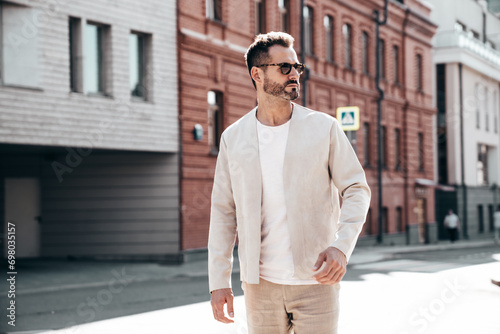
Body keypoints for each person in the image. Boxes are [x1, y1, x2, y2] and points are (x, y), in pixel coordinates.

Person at [208, 31, 371, 334]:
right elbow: (223, 212)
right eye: (284, 67)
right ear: (257, 74)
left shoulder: (324, 128)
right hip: (260, 286)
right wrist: (219, 283)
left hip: (317, 281)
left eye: (297, 67)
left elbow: (356, 189)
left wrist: (341, 247)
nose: (294, 74)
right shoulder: (234, 137)